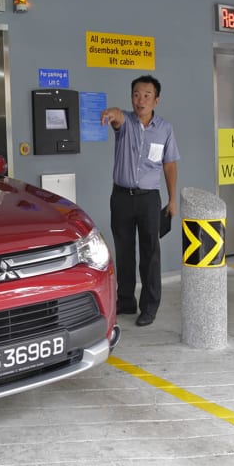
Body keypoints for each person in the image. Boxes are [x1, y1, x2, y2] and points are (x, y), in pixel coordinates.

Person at [101, 75, 179, 327]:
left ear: (156, 100)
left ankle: (149, 306)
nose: (140, 100)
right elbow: (116, 115)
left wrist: (172, 199)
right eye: (136, 94)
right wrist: (110, 113)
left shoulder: (165, 129)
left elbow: (169, 165)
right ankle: (125, 301)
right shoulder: (126, 123)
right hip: (121, 197)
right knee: (123, 252)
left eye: (146, 95)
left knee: (150, 253)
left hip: (149, 200)